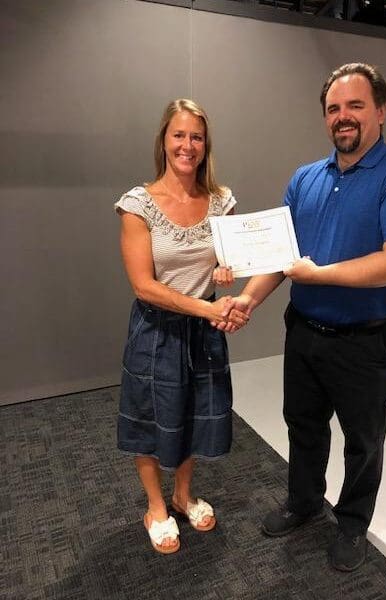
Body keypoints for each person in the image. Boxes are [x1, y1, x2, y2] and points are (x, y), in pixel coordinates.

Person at [223, 63, 386, 571]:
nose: (344, 117)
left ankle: (353, 524)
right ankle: (304, 501)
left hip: (365, 341)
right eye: (334, 108)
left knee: (363, 441)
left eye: (356, 106)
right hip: (304, 331)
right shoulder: (304, 179)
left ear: (380, 111)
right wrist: (249, 298)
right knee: (303, 425)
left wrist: (321, 275)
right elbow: (281, 255)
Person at [114, 99, 247, 555]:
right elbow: (144, 287)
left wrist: (225, 275)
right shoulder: (138, 204)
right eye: (179, 135)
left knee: (193, 415)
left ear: (205, 144)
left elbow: (221, 267)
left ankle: (183, 494)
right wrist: (206, 308)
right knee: (151, 421)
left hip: (203, 330)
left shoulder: (221, 202)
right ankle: (155, 506)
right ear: (164, 140)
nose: (187, 145)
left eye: (196, 136)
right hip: (156, 331)